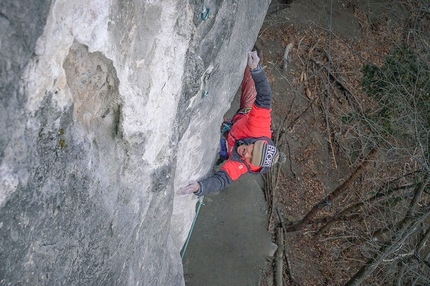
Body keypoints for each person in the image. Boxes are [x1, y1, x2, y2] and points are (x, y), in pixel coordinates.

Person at [179, 51, 280, 196]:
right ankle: (253, 58)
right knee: (250, 83)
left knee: (222, 150)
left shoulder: (243, 164)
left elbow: (223, 180)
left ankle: (222, 148)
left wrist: (199, 187)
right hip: (245, 115)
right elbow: (265, 98)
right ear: (258, 143)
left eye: (251, 159)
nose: (246, 155)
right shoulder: (259, 127)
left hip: (230, 138)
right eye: (252, 151)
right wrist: (256, 70)